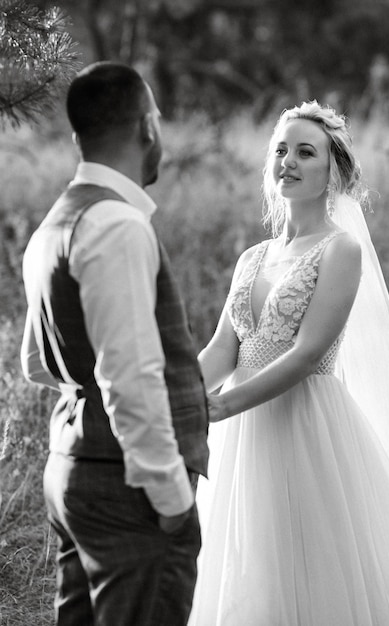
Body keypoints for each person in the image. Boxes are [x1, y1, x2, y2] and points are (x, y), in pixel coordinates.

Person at [188, 101, 389, 625]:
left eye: (305, 152)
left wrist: (222, 407)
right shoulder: (253, 257)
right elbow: (224, 348)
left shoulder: (341, 250)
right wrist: (181, 395)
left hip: (304, 422)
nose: (288, 161)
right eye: (280, 150)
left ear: (332, 170)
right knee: (250, 560)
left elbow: (308, 352)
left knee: (309, 560)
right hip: (241, 429)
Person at [20, 61, 209, 626]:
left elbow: (36, 363)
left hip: (73, 469)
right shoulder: (116, 224)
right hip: (129, 487)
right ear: (147, 127)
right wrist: (171, 496)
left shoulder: (54, 224)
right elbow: (128, 376)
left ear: (79, 137)